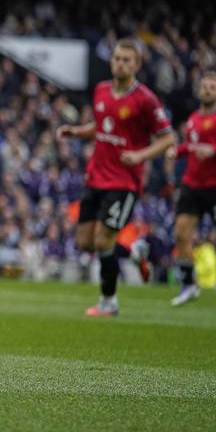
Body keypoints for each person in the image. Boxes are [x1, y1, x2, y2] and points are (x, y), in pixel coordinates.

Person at [57, 38, 176, 317]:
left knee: (103, 241)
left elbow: (169, 138)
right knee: (85, 242)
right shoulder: (101, 90)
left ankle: (108, 301)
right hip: (96, 176)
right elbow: (102, 126)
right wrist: (78, 132)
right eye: (117, 58)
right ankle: (134, 250)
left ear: (136, 65)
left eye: (126, 60)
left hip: (124, 182)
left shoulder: (145, 99)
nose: (120, 64)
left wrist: (140, 155)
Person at [166, 71, 216, 306]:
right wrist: (177, 152)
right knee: (181, 233)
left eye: (212, 87)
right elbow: (192, 145)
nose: (207, 90)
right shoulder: (193, 119)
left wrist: (214, 150)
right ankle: (189, 285)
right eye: (204, 86)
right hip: (192, 185)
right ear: (198, 90)